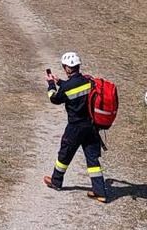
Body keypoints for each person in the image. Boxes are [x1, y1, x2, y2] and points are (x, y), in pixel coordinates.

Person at [43, 51, 108, 201]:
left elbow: (54, 98)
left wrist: (51, 84)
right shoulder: (89, 81)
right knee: (92, 159)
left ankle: (56, 181)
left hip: (75, 127)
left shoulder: (68, 87)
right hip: (92, 127)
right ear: (78, 66)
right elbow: (76, 88)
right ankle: (100, 192)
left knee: (65, 154)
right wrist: (60, 82)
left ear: (66, 68)